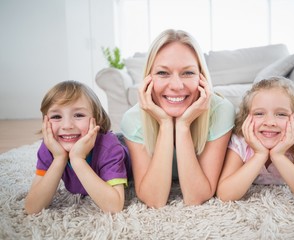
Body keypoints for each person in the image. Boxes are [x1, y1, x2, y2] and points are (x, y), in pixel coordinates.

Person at [121, 29, 235, 208]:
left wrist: (183, 125)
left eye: (188, 73)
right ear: (148, 79)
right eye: (162, 73)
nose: (176, 85)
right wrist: (166, 124)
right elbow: (154, 200)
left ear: (201, 77)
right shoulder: (133, 120)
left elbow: (196, 197)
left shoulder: (220, 111)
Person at [216, 77, 294, 206]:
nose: (269, 122)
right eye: (259, 114)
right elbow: (225, 195)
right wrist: (259, 155)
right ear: (246, 118)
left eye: (281, 114)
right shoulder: (241, 143)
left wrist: (279, 156)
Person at [25, 80, 129, 214]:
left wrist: (77, 159)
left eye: (79, 115)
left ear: (97, 119)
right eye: (56, 116)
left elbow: (114, 206)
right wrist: (59, 158)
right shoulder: (49, 147)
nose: (67, 125)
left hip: (123, 144)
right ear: (46, 122)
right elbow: (31, 208)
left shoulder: (109, 148)